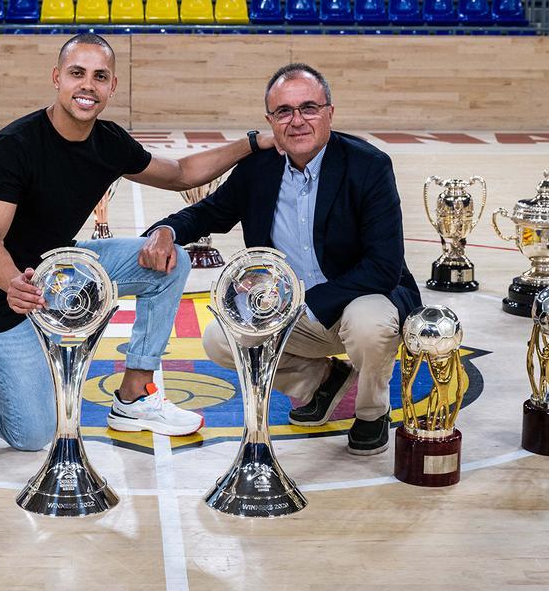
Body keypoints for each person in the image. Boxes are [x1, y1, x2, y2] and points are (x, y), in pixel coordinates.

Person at [0, 33, 275, 451]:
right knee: (32, 435)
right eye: (77, 73)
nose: (88, 85)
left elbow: (180, 174)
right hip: (2, 292)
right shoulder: (13, 147)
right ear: (56, 78)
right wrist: (14, 284)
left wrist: (252, 143)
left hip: (61, 271)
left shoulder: (109, 142)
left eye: (100, 76)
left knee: (169, 261)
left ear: (112, 86)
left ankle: (134, 396)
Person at [139, 63, 421, 455]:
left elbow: (384, 266)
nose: (297, 120)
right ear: (270, 121)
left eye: (309, 108)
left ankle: (372, 412)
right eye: (284, 111)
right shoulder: (259, 168)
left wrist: (309, 304)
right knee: (220, 340)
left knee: (369, 325)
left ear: (329, 113)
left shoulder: (368, 165)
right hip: (292, 306)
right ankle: (321, 381)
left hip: (360, 296)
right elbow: (208, 213)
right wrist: (166, 231)